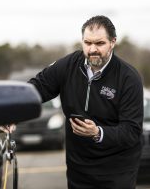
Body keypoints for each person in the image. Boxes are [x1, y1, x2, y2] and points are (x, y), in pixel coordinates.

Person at [28, 15, 143, 189]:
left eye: (100, 43)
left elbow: (132, 131)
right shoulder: (68, 66)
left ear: (113, 42)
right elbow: (37, 88)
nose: (92, 49)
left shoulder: (129, 78)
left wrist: (97, 132)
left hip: (117, 171)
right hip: (78, 169)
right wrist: (11, 113)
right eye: (87, 43)